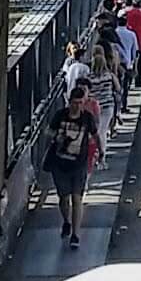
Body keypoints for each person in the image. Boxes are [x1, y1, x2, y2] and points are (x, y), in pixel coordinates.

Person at [43, 80, 99, 248]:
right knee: (63, 198)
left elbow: (95, 135)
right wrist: (56, 137)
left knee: (77, 199)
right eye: (74, 103)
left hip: (79, 164)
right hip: (60, 164)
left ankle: (75, 234)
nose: (77, 107)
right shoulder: (60, 115)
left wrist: (100, 151)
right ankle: (66, 221)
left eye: (80, 103)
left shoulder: (87, 118)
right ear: (69, 102)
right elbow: (48, 130)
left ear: (84, 103)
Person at [85, 42, 119, 164]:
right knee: (102, 131)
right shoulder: (109, 75)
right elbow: (118, 88)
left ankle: (94, 155)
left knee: (95, 131)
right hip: (108, 106)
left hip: (94, 107)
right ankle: (101, 157)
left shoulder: (89, 78)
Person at [112, 11, 139, 112]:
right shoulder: (131, 34)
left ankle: (117, 108)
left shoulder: (114, 33)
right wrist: (135, 65)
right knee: (125, 86)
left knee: (116, 86)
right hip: (126, 63)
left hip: (115, 63)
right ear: (126, 23)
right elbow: (135, 52)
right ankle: (124, 106)